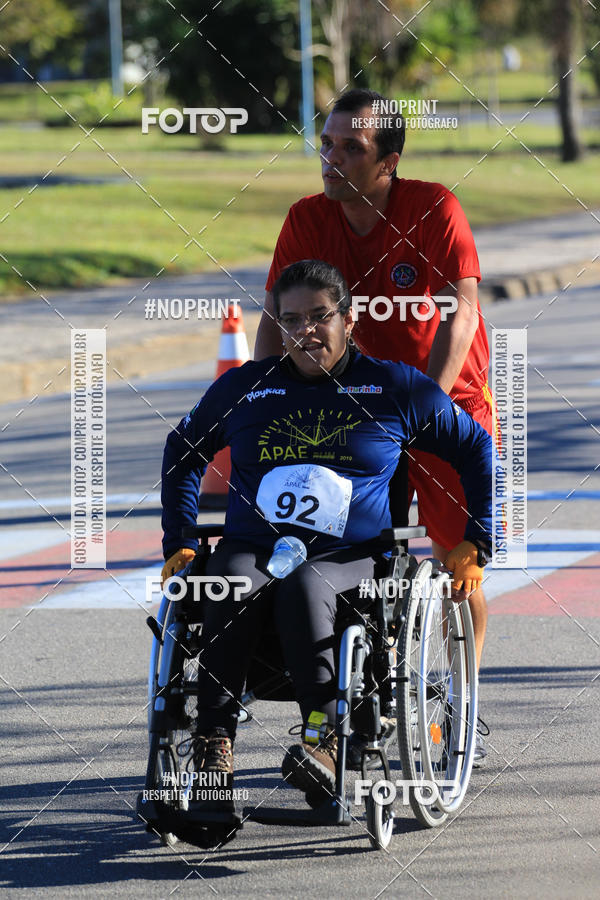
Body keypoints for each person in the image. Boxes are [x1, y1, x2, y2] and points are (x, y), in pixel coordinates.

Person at [161, 260, 492, 811]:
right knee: (228, 581)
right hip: (255, 547)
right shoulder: (248, 386)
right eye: (291, 320)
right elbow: (183, 450)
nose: (305, 331)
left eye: (319, 317)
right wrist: (182, 540)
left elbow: (476, 449)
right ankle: (214, 750)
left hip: (348, 556)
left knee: (305, 581)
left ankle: (325, 739)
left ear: (349, 319)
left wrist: (476, 540)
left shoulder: (394, 387)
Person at [254, 88, 495, 765]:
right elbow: (278, 320)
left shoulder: (434, 207)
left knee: (457, 567)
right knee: (341, 552)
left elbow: (462, 315)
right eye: (325, 143)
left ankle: (458, 699)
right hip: (349, 413)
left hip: (445, 404)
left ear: (388, 162)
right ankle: (347, 712)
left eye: (349, 148)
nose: (329, 158)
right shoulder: (307, 218)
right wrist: (261, 405)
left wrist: (427, 412)